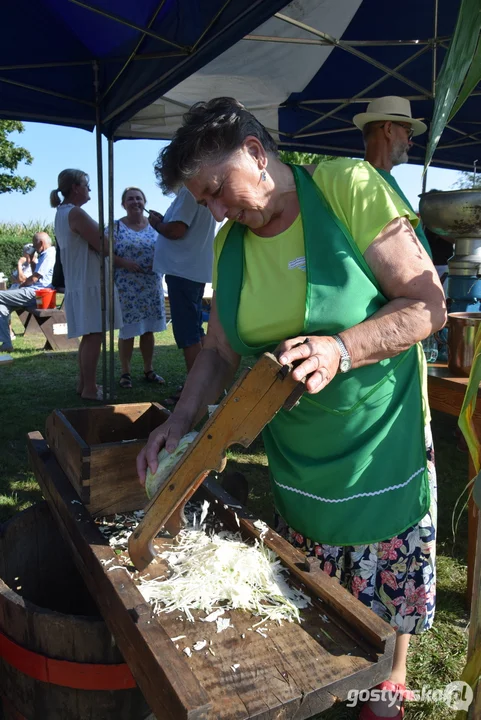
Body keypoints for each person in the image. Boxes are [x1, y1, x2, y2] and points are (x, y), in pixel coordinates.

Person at [137, 98, 447, 720]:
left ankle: (390, 680)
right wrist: (178, 419)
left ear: (256, 152)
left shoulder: (347, 188)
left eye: (220, 190)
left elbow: (426, 307)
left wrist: (342, 347)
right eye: (205, 203)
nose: (219, 211)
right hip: (298, 457)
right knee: (320, 591)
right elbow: (219, 352)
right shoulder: (230, 247)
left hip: (377, 440)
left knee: (384, 581)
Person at [51, 169, 123, 401]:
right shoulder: (75, 214)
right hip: (90, 280)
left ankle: (84, 384)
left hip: (80, 281)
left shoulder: (62, 213)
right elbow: (102, 245)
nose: (89, 189)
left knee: (90, 335)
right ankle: (90, 389)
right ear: (75, 187)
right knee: (94, 335)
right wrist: (111, 233)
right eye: (86, 184)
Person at [149, 181, 216, 404]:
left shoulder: (189, 191)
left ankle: (195, 390)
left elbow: (177, 230)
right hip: (191, 271)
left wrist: (157, 224)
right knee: (195, 331)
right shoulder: (198, 190)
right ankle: (204, 383)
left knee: (188, 334)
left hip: (183, 272)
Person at [353, 96, 432, 258]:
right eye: (408, 133)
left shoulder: (372, 179)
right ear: (389, 129)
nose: (410, 143)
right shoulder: (363, 181)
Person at [113, 187, 166, 388]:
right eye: (130, 199)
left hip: (151, 285)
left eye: (138, 198)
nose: (135, 202)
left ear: (145, 202)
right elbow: (105, 252)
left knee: (148, 329)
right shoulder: (116, 227)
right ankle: (125, 372)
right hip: (127, 287)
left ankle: (148, 369)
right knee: (127, 331)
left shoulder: (156, 226)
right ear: (123, 204)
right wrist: (124, 263)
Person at [0, 232, 56, 352]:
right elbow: (36, 271)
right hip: (35, 292)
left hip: (38, 294)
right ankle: (6, 344)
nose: (34, 248)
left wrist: (23, 285)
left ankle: (6, 342)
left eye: (35, 246)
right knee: (1, 307)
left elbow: (35, 277)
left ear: (41, 243)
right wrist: (31, 260)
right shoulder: (44, 254)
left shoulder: (49, 254)